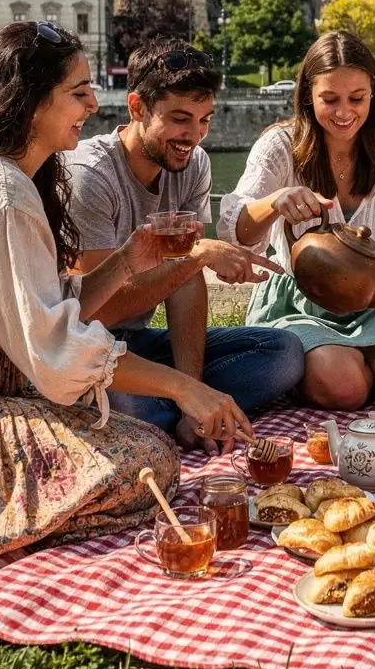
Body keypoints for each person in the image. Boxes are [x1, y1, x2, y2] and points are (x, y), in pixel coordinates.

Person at [0, 22, 255, 564]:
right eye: (79, 92)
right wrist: (185, 388)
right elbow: (58, 348)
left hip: (10, 374)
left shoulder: (12, 178)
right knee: (149, 463)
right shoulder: (2, 190)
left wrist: (127, 261)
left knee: (274, 355)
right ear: (31, 101)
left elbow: (46, 307)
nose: (93, 104)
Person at [68, 38, 304, 452]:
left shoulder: (193, 165)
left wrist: (190, 389)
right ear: (137, 108)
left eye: (204, 120)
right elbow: (97, 308)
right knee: (126, 403)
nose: (193, 136)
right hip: (84, 348)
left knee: (284, 353)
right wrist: (199, 255)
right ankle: (183, 408)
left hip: (140, 346)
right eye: (180, 119)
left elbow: (184, 279)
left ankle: (186, 409)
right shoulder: (91, 175)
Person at [217, 31, 375, 409]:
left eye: (357, 98)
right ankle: (363, 367)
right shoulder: (280, 145)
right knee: (344, 387)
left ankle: (372, 363)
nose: (344, 112)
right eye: (330, 99)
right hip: (301, 303)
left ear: (373, 93)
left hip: (374, 302)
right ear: (308, 95)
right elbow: (235, 229)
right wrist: (275, 202)